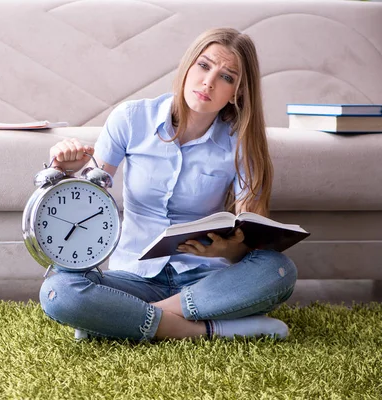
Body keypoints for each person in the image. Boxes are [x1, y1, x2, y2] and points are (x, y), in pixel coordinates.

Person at [39, 28, 297, 341]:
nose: (209, 83)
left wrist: (229, 248)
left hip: (205, 280)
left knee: (278, 270)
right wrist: (64, 172)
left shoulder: (240, 141)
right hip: (134, 277)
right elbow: (90, 201)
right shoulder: (132, 119)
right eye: (204, 66)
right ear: (188, 66)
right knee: (59, 290)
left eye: (226, 77)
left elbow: (251, 238)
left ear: (238, 92)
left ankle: (125, 317)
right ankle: (204, 329)